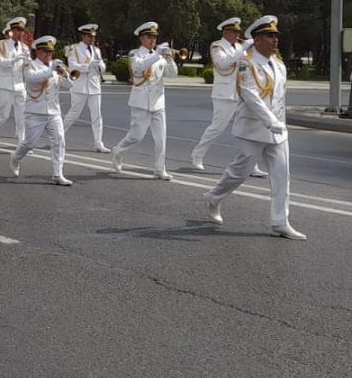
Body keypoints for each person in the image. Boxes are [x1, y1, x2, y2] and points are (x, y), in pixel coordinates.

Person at [201, 15, 306, 240]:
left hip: (278, 131)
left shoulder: (279, 64)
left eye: (276, 36)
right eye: (269, 36)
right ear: (256, 40)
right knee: (239, 172)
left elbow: (280, 99)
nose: (275, 40)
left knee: (281, 175)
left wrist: (280, 125)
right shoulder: (246, 63)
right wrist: (271, 122)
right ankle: (214, 197)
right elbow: (250, 95)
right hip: (253, 130)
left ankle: (280, 221)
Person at [191, 16, 265, 178]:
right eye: (233, 32)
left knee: (246, 129)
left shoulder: (239, 47)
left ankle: (251, 165)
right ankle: (198, 154)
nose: (237, 35)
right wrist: (242, 48)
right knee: (217, 128)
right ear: (226, 33)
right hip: (224, 94)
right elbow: (222, 64)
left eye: (238, 32)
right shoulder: (217, 46)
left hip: (241, 93)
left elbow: (247, 67)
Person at [111, 22, 176, 180]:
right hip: (141, 102)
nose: (153, 40)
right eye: (149, 37)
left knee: (161, 137)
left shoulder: (159, 55)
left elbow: (172, 74)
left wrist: (169, 59)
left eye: (154, 37)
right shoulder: (135, 54)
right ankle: (118, 150)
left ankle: (160, 169)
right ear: (141, 39)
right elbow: (138, 68)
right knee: (136, 136)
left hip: (158, 101)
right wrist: (157, 54)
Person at [9, 36, 73, 185]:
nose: (48, 54)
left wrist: (66, 74)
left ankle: (58, 174)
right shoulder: (29, 65)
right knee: (29, 143)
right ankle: (16, 158)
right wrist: (51, 70)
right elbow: (32, 79)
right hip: (35, 112)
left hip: (53, 112)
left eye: (50, 52)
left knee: (59, 141)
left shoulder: (55, 66)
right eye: (45, 51)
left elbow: (69, 86)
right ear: (37, 52)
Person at [61, 24, 110, 152]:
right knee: (74, 114)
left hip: (94, 86)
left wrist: (100, 65)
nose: (92, 39)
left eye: (93, 36)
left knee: (97, 116)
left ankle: (98, 143)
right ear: (83, 35)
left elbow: (103, 68)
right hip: (80, 86)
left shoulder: (96, 50)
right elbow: (72, 67)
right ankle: (58, 136)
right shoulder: (74, 49)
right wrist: (88, 66)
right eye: (89, 36)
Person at [0, 17, 29, 149]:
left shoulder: (24, 47)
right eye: (17, 30)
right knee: (3, 115)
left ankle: (22, 142)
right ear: (12, 31)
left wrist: (27, 62)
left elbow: (26, 66)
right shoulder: (1, 44)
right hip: (5, 85)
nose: (20, 33)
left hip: (20, 85)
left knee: (22, 115)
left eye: (21, 30)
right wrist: (14, 59)